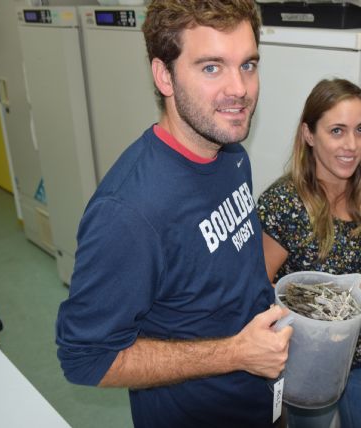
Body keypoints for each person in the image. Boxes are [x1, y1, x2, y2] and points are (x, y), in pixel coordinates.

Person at [55, 1, 292, 427]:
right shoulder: (128, 212)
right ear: (164, 75)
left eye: (248, 64)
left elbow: (226, 270)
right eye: (211, 67)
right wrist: (237, 353)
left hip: (261, 398)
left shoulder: (231, 152)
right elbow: (85, 358)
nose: (239, 89)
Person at [257, 78, 361, 428]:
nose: (352, 145)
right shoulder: (284, 204)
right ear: (309, 134)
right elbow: (260, 288)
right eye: (336, 131)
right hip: (311, 362)